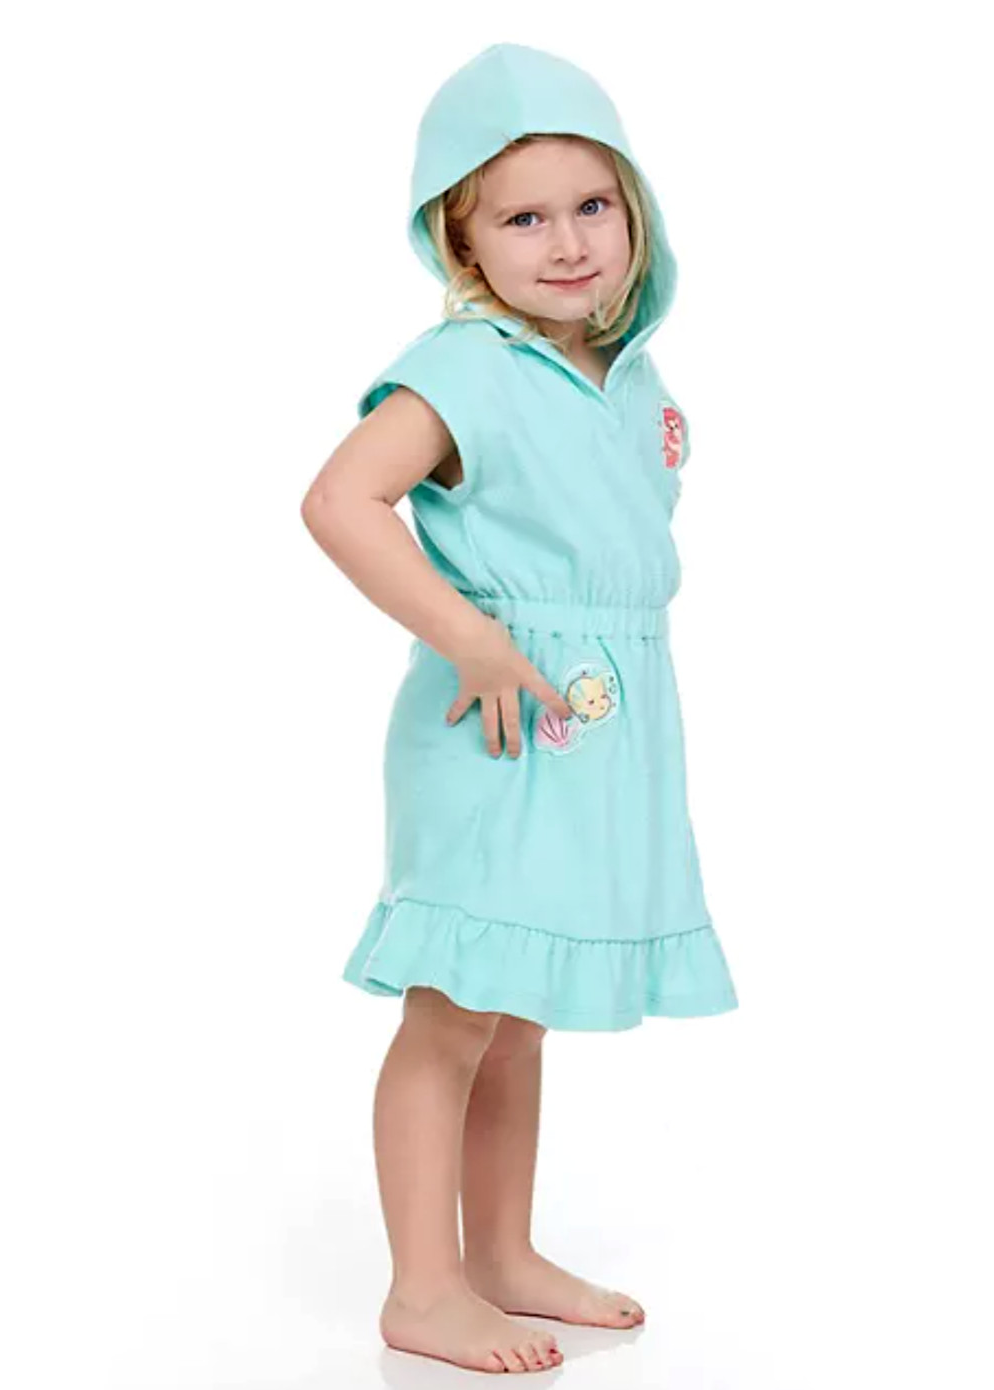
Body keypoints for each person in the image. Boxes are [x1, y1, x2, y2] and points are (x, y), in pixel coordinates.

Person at [301, 41, 740, 1376]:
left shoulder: (631, 380)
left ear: (634, 210)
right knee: (453, 1007)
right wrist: (473, 638)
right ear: (462, 238)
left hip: (603, 727)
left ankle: (498, 1251)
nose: (566, 243)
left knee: (517, 1005)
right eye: (523, 217)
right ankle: (423, 1289)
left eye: (591, 206)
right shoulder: (464, 368)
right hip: (493, 730)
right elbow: (340, 501)